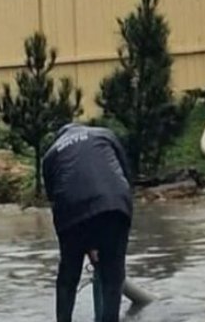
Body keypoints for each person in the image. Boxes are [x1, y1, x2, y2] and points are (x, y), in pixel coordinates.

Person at [42, 123, 133, 322]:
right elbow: (126, 175)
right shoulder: (105, 133)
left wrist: (86, 241)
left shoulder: (50, 154)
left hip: (70, 213)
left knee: (68, 277)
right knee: (112, 276)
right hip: (114, 204)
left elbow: (54, 196)